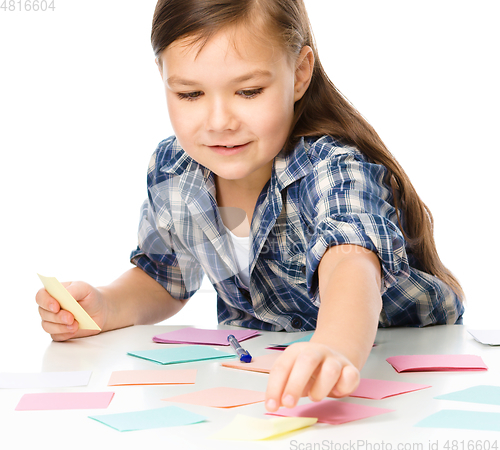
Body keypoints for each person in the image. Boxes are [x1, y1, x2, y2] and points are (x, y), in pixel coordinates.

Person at [35, 0, 464, 412]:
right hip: (269, 373)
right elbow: (163, 276)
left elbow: (351, 266)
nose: (219, 121)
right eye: (189, 94)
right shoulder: (174, 171)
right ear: (163, 77)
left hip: (403, 362)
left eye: (249, 91)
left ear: (299, 73)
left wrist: (332, 347)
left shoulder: (332, 168)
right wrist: (106, 306)